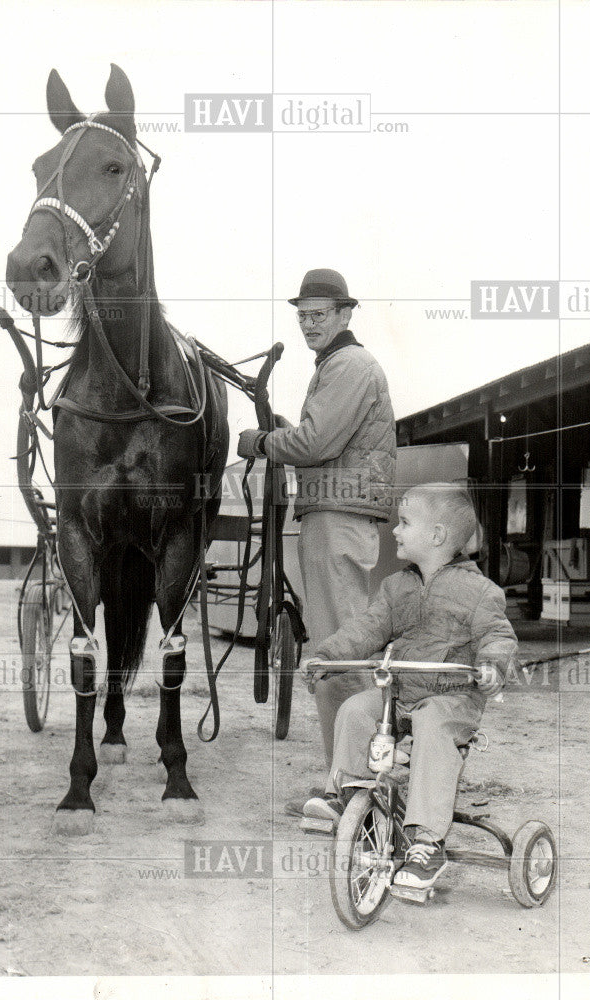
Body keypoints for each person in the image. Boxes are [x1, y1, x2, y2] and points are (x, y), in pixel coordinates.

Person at [302, 483, 517, 890]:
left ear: (436, 536)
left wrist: (491, 665)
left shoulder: (479, 592)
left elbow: (498, 635)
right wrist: (329, 655)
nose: (395, 531)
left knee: (435, 728)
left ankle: (426, 842)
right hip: (401, 694)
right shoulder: (395, 587)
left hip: (452, 699)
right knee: (356, 710)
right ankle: (347, 797)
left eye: (404, 523)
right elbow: (367, 629)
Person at [237, 268, 396, 813]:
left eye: (320, 314)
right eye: (303, 314)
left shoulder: (348, 366)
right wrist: (287, 433)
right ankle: (347, 781)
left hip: (337, 517)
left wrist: (261, 441)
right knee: (338, 648)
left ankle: (351, 789)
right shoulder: (338, 365)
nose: (309, 323)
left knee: (340, 653)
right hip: (334, 513)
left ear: (346, 314)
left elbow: (313, 441)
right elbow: (319, 437)